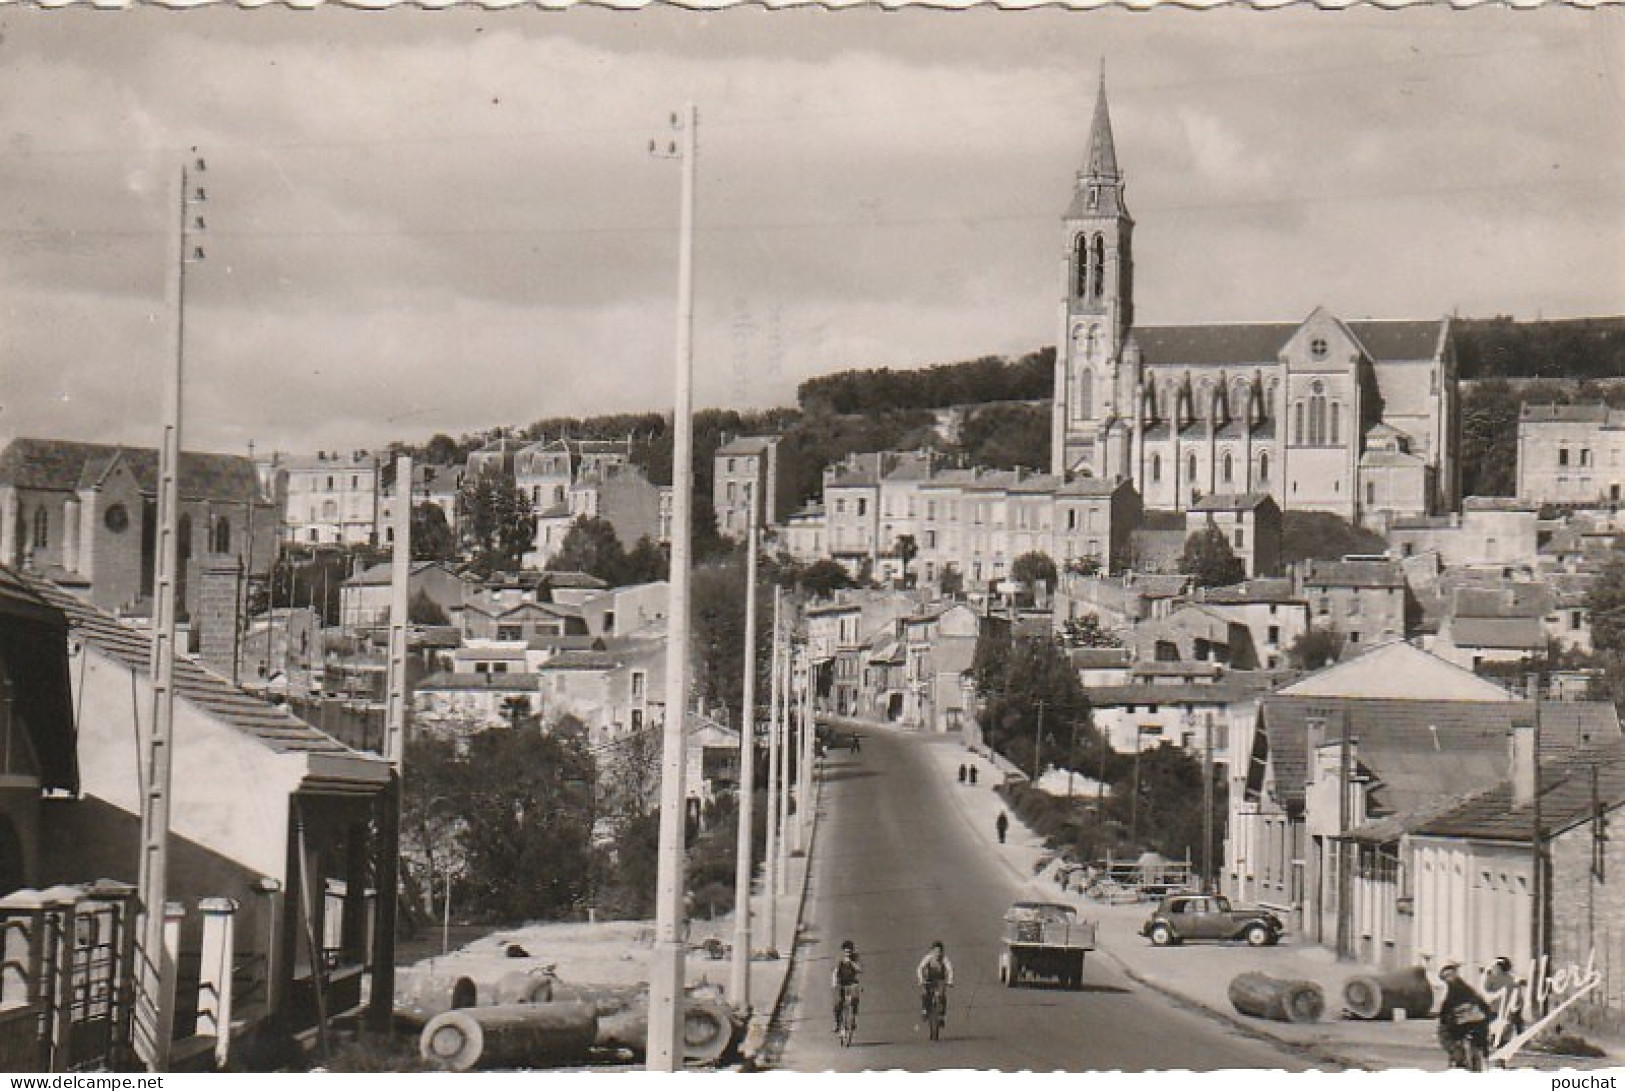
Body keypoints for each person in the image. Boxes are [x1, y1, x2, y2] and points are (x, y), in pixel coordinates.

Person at [1436, 962, 1493, 1070]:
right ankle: (1483, 1054)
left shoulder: (1450, 992)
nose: (1448, 979)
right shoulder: (1469, 990)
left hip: (1460, 1028)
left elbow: (1444, 1014)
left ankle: (1458, 1060)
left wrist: (1444, 1020)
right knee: (1480, 1038)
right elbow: (1484, 1006)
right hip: (1477, 1027)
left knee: (1445, 1035)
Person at [1481, 956, 1525, 1052]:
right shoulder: (1512, 980)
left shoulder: (1492, 978)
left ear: (1499, 967)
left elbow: (1485, 990)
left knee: (1494, 1034)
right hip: (1506, 1013)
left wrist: (1486, 973)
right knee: (1504, 1036)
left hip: (1495, 1012)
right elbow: (1519, 999)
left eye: (1495, 966)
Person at [916, 940, 955, 1024]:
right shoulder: (928, 958)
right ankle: (925, 1010)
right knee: (925, 994)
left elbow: (950, 969)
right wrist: (921, 979)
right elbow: (920, 968)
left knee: (941, 995)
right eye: (936, 951)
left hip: (940, 980)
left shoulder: (944, 959)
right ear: (932, 951)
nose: (937, 953)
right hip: (929, 979)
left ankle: (941, 1015)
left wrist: (950, 980)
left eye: (940, 951)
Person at [831, 940, 862, 1034]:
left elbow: (860, 969)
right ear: (843, 951)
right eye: (846, 951)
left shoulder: (856, 958)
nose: (848, 953)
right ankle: (837, 1023)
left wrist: (851, 963)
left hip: (852, 982)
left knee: (855, 999)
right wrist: (834, 983)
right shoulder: (840, 959)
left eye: (849, 951)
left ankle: (853, 1019)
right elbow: (835, 971)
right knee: (838, 1004)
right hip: (841, 982)